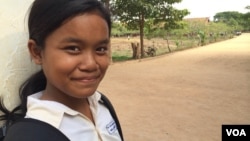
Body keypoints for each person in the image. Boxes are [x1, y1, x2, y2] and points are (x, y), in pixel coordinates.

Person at [0, 0, 123, 141]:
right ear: (37, 52)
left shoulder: (101, 104)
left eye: (100, 49)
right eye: (73, 48)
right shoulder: (30, 135)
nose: (90, 64)